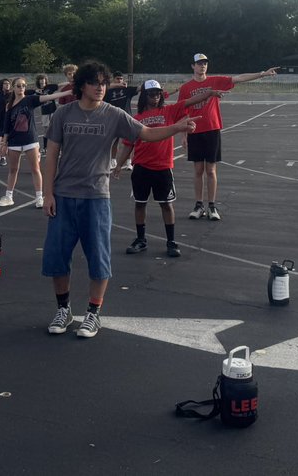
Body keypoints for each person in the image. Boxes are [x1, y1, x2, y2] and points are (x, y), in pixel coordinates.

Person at [42, 61, 198, 340]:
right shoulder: (63, 114)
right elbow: (51, 155)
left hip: (96, 196)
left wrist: (177, 127)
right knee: (57, 258)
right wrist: (48, 193)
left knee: (99, 259)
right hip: (64, 196)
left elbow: (146, 134)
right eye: (95, 83)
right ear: (82, 86)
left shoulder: (114, 115)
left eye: (104, 83)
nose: (101, 88)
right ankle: (63, 310)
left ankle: (93, 313)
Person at [114, 79, 218, 258]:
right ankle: (141, 239)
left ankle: (171, 241)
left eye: (158, 93)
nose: (155, 97)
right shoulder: (136, 119)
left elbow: (189, 102)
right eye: (152, 94)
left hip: (162, 167)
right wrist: (119, 165)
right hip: (141, 167)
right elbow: (128, 144)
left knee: (166, 205)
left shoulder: (169, 111)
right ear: (144, 96)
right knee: (140, 204)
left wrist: (209, 93)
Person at [175, 53, 278, 221]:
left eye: (205, 63)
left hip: (212, 130)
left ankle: (212, 206)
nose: (202, 66)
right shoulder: (186, 88)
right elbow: (183, 111)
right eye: (199, 63)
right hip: (195, 131)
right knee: (198, 170)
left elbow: (239, 78)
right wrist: (183, 135)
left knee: (211, 170)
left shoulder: (215, 81)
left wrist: (262, 74)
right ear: (193, 66)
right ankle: (198, 205)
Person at [0, 77, 72, 208]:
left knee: (35, 169)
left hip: (30, 140)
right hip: (14, 141)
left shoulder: (30, 100)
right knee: (13, 170)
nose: (21, 88)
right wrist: (4, 143)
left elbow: (49, 97)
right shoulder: (9, 105)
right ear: (14, 87)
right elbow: (6, 126)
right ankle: (8, 197)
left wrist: (67, 92)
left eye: (23, 86)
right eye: (18, 86)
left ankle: (39, 198)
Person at [105, 73, 139, 169]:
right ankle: (113, 161)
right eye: (117, 79)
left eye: (121, 79)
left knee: (128, 141)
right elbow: (104, 86)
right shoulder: (108, 91)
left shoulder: (127, 90)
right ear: (113, 79)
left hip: (127, 118)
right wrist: (117, 85)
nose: (119, 80)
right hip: (113, 118)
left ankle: (128, 162)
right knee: (114, 141)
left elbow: (139, 89)